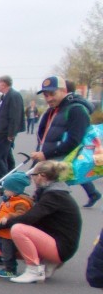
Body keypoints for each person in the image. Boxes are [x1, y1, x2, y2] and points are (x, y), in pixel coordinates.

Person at [0, 159, 82, 283]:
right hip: (62, 243)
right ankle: (48, 262)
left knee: (18, 229)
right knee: (3, 247)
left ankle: (34, 270)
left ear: (42, 176)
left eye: (33, 175)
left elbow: (28, 218)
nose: (32, 179)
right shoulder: (54, 192)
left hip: (62, 247)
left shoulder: (54, 196)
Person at [32, 75, 100, 207]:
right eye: (46, 95)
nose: (49, 98)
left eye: (52, 93)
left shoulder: (76, 110)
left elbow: (74, 141)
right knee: (43, 206)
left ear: (64, 90)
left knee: (50, 207)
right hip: (49, 164)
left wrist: (46, 154)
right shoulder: (55, 109)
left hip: (59, 167)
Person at [0, 171, 33, 278]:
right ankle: (9, 267)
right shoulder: (10, 199)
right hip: (3, 232)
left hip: (9, 234)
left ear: (15, 190)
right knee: (4, 250)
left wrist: (8, 216)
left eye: (7, 189)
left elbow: (20, 214)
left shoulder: (21, 202)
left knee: (8, 253)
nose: (4, 191)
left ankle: (10, 270)